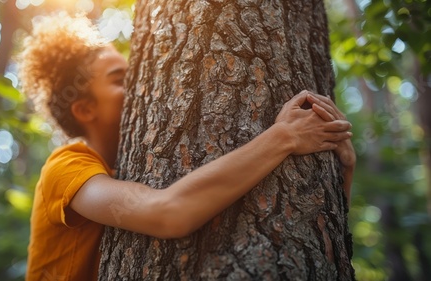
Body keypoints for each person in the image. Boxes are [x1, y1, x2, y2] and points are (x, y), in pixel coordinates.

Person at [18, 13, 355, 281]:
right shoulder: (65, 167)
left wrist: (342, 169)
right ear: (85, 109)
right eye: (120, 80)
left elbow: (324, 239)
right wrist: (285, 136)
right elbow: (170, 213)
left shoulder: (120, 172)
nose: (138, 89)